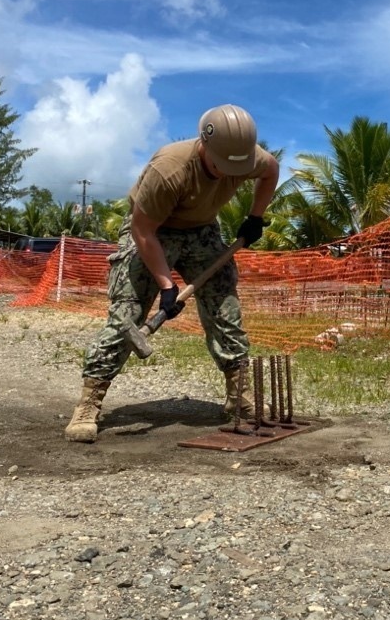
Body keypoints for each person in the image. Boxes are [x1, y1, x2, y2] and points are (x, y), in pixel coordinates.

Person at [65, 104, 280, 443]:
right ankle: (89, 402)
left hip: (203, 230)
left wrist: (255, 217)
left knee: (225, 309)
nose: (226, 173)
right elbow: (142, 231)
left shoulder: (245, 156)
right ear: (204, 145)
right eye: (219, 165)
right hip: (154, 231)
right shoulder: (169, 169)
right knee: (128, 314)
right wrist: (166, 285)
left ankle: (240, 396)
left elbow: (271, 171)